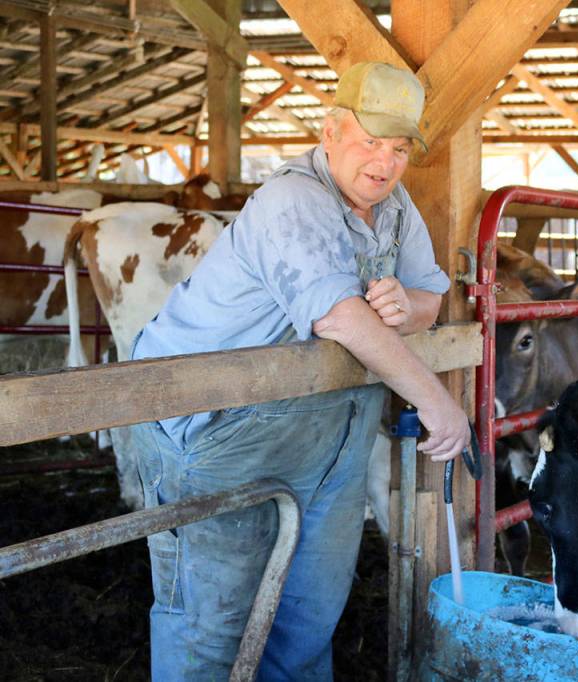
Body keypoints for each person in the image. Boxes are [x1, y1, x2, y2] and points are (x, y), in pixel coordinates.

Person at [129, 61, 471, 680]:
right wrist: (436, 400)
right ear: (330, 131)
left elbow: (431, 298)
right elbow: (339, 317)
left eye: (399, 149)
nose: (385, 163)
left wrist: (406, 306)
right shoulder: (293, 198)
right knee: (213, 622)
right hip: (218, 427)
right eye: (371, 141)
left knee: (309, 617)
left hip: (330, 429)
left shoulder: (394, 206)